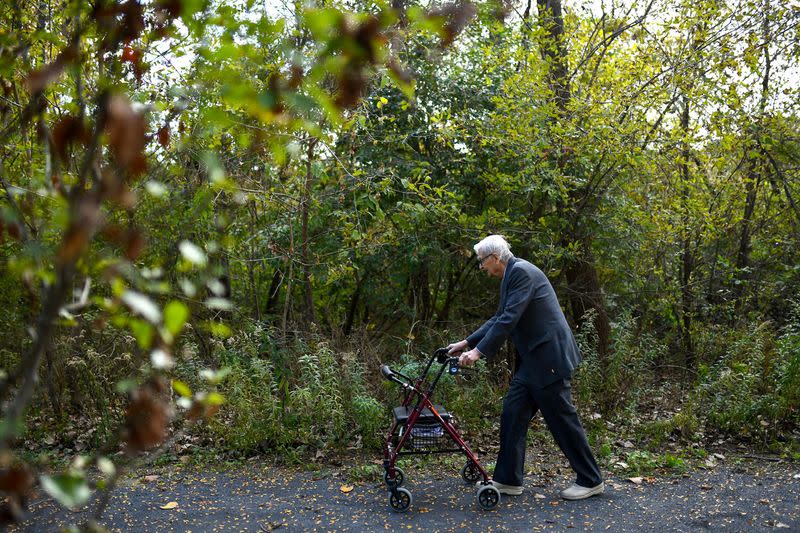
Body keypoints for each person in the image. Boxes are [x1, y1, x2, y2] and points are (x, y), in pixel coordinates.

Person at [447, 235, 604, 500]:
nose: (481, 267)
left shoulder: (521, 273)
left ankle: (590, 480)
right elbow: (499, 317)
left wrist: (478, 352)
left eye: (482, 262)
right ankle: (508, 480)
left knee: (562, 420)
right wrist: (466, 342)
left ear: (494, 258)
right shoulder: (511, 275)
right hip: (533, 361)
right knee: (513, 412)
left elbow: (509, 319)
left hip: (548, 358)